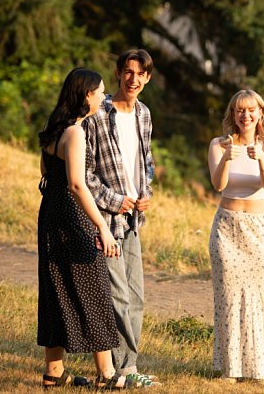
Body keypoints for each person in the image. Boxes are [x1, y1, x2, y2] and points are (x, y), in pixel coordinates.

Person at [36, 68, 152, 388]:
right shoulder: (75, 132)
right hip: (74, 216)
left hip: (50, 213)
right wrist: (101, 225)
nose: (104, 97)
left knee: (56, 291)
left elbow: (46, 171)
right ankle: (108, 375)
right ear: (86, 95)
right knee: (96, 291)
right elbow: (77, 183)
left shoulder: (54, 128)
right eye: (100, 92)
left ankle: (54, 373)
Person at [84, 49, 157, 380]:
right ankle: (123, 370)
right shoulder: (99, 114)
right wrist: (116, 201)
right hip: (106, 221)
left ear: (148, 78)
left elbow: (148, 163)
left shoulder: (144, 114)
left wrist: (146, 195)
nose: (134, 79)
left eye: (141, 74)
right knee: (118, 297)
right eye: (128, 72)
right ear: (118, 73)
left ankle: (128, 367)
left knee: (137, 298)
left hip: (134, 222)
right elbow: (85, 174)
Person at [205, 89, 264, 382]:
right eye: (239, 110)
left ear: (261, 113)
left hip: (257, 227)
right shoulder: (218, 144)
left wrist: (261, 157)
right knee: (228, 298)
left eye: (251, 110)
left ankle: (259, 367)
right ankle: (231, 368)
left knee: (259, 297)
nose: (245, 116)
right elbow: (218, 183)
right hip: (226, 226)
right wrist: (226, 157)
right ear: (233, 115)